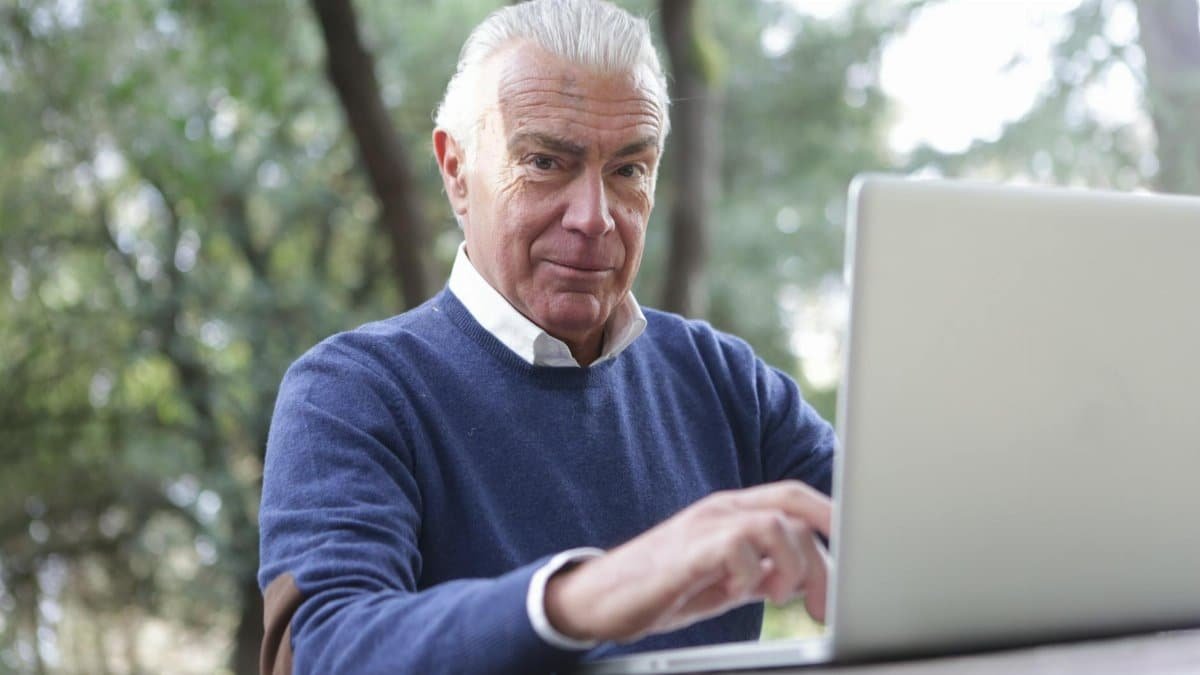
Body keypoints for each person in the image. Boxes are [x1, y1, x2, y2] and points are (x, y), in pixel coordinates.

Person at [257, 1, 837, 673]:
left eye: (628, 171)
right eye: (545, 162)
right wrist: (584, 595)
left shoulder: (724, 380)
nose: (595, 218)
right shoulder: (351, 391)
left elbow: (905, 545)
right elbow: (324, 649)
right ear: (456, 171)